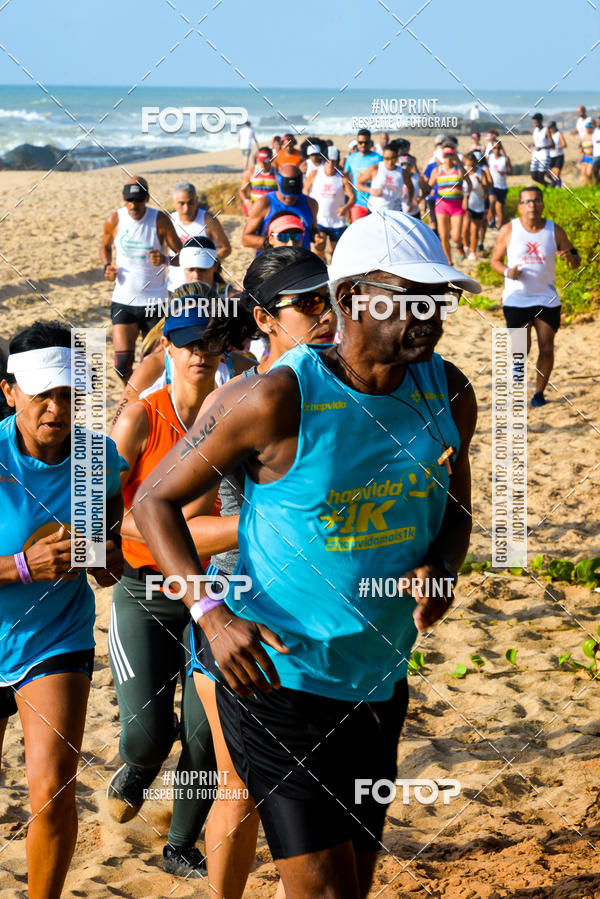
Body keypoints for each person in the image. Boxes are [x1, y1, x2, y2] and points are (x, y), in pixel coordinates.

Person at [134, 209, 478, 899]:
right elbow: (152, 503)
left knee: (356, 879)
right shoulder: (275, 397)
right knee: (321, 889)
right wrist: (211, 613)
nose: (429, 314)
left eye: (438, 296)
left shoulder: (448, 390)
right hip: (277, 677)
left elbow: (457, 502)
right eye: (409, 296)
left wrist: (442, 562)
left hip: (377, 679)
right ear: (350, 299)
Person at [186, 247, 336, 898]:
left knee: (322, 793)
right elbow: (172, 520)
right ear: (263, 318)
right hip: (238, 611)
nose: (325, 314)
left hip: (329, 622)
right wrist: (271, 530)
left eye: (329, 298)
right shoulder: (244, 397)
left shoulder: (345, 390)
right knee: (238, 786)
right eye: (305, 303)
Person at [107, 293, 255, 877]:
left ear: (222, 349)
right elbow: (95, 515)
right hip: (146, 591)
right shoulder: (141, 416)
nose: (199, 352)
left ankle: (181, 845)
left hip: (212, 594)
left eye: (210, 343)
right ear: (167, 346)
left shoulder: (238, 411)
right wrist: (154, 526)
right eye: (188, 342)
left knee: (203, 737)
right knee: (147, 735)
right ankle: (139, 767)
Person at [0, 321, 125, 898]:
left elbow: (112, 554)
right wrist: (22, 567)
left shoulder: (98, 458)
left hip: (53, 638)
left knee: (51, 791)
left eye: (69, 393)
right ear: (9, 392)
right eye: (41, 393)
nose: (56, 407)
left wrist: (103, 558)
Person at [491, 186, 580, 406]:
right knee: (521, 348)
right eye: (527, 201)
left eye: (536, 200)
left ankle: (539, 394)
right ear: (520, 206)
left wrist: (569, 257)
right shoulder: (509, 229)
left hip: (546, 298)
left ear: (542, 204)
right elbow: (495, 261)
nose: (532, 205)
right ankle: (518, 376)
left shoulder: (554, 230)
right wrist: (507, 272)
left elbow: (575, 260)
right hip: (516, 297)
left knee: (547, 346)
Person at [101, 176, 182, 382]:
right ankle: (132, 395)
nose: (133, 205)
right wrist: (107, 267)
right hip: (124, 301)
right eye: (129, 200)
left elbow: (182, 256)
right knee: (121, 365)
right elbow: (104, 246)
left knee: (152, 364)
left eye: (138, 200)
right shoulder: (115, 219)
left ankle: (144, 400)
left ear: (146, 198)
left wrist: (164, 258)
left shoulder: (160, 220)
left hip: (155, 302)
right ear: (123, 198)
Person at [167, 181, 231, 292]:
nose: (186, 208)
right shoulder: (168, 221)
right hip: (175, 286)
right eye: (181, 203)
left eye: (190, 202)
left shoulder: (208, 220)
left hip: (203, 287)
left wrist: (208, 262)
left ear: (197, 200)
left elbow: (226, 248)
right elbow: (163, 251)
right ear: (173, 202)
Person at [241, 164, 318, 252]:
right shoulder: (264, 203)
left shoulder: (311, 204)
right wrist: (278, 242)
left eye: (294, 195)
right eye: (286, 193)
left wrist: (319, 239)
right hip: (272, 261)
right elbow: (245, 239)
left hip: (301, 261)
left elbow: (312, 231)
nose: (289, 198)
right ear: (277, 183)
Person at [305, 145, 355, 257]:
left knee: (336, 252)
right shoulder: (314, 174)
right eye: (328, 162)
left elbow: (352, 197)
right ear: (323, 161)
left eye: (334, 162)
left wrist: (345, 208)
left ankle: (333, 270)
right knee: (319, 245)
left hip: (337, 221)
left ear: (337, 162)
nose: (331, 165)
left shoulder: (343, 177)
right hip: (319, 220)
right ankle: (320, 267)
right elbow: (305, 191)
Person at [428, 143, 468, 264]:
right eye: (445, 155)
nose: (448, 158)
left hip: (457, 205)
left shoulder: (459, 169)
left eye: (450, 155)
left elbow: (468, 180)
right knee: (443, 235)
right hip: (442, 204)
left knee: (456, 236)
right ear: (442, 156)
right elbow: (429, 185)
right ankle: (448, 260)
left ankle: (460, 246)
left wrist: (467, 197)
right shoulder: (437, 170)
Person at [358, 142, 413, 215]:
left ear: (397, 158)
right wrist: (371, 190)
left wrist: (410, 201)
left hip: (395, 212)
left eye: (393, 159)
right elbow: (358, 185)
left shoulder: (403, 173)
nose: (390, 162)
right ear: (383, 157)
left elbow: (411, 188)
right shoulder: (375, 169)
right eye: (387, 159)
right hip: (374, 211)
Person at [343, 129, 382, 220]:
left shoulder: (378, 158)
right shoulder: (351, 158)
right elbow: (344, 176)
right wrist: (348, 192)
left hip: (375, 202)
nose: (363, 145)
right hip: (357, 202)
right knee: (357, 231)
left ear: (370, 142)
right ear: (357, 143)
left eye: (366, 142)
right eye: (360, 142)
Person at [464, 152, 490, 261]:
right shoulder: (463, 173)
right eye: (468, 165)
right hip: (465, 205)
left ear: (476, 163)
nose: (470, 168)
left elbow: (486, 189)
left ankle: (473, 252)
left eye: (472, 165)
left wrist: (480, 183)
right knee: (465, 229)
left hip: (478, 205)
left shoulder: (481, 172)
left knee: (474, 230)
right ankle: (466, 246)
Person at [239, 147, 278, 215]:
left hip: (272, 208)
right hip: (255, 207)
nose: (263, 164)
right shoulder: (251, 172)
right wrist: (246, 201)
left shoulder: (277, 172)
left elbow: (282, 192)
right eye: (260, 161)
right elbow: (241, 190)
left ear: (271, 159)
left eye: (265, 161)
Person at [487, 140, 511, 229]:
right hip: (492, 186)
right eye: (494, 148)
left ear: (501, 148)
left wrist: (504, 172)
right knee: (492, 201)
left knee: (499, 208)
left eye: (498, 148)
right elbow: (484, 168)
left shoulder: (505, 158)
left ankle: (500, 226)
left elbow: (510, 171)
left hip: (502, 187)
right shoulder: (489, 158)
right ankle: (492, 220)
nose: (496, 150)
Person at [530, 113, 553, 186]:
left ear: (540, 121)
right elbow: (538, 142)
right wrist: (533, 144)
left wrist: (542, 147)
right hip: (536, 154)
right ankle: (548, 185)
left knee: (540, 175)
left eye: (536, 122)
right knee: (533, 175)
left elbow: (552, 144)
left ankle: (548, 186)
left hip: (544, 154)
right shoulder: (535, 130)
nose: (535, 124)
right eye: (534, 122)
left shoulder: (546, 130)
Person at [548, 121, 567, 187]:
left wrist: (556, 147)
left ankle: (558, 187)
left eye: (551, 128)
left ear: (554, 127)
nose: (550, 129)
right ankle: (554, 183)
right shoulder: (548, 135)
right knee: (547, 172)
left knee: (557, 173)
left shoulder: (559, 134)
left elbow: (564, 145)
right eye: (549, 128)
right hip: (551, 156)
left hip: (559, 156)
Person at [579, 119, 595, 184]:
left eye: (589, 128)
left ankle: (592, 184)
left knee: (589, 173)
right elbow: (581, 148)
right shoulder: (583, 137)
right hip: (585, 157)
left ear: (591, 128)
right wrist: (580, 157)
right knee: (584, 173)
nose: (588, 129)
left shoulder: (594, 136)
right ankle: (590, 185)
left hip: (592, 157)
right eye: (587, 128)